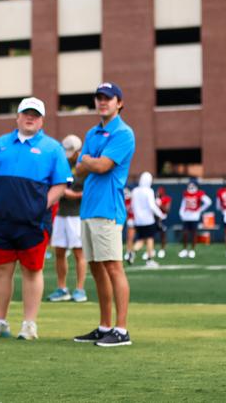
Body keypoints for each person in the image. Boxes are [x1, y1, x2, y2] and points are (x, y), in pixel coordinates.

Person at [0, 98, 69, 341]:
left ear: (42, 120)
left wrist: (38, 207)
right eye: (26, 113)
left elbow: (60, 185)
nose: (30, 118)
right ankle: (0, 321)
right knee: (1, 271)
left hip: (33, 223)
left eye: (35, 115)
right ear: (17, 116)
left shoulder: (52, 147)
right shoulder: (0, 144)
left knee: (32, 270)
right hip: (2, 221)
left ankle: (29, 324)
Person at [73, 82, 136, 348]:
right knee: (97, 268)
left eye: (108, 98)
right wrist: (87, 162)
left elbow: (100, 166)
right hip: (89, 207)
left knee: (113, 267)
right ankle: (105, 326)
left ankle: (121, 330)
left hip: (108, 208)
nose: (102, 102)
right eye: (99, 98)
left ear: (119, 103)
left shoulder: (123, 133)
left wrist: (87, 160)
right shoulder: (92, 132)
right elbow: (78, 171)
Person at [47, 134, 88, 303]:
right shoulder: (61, 165)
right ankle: (62, 288)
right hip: (62, 213)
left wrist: (74, 195)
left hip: (76, 215)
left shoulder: (85, 167)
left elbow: (90, 191)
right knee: (59, 252)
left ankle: (80, 289)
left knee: (79, 253)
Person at [129, 172, 165, 268]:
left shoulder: (135, 191)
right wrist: (160, 214)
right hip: (148, 220)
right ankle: (150, 260)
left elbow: (132, 206)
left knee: (141, 239)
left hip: (138, 220)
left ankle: (131, 252)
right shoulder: (149, 191)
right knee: (149, 239)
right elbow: (152, 206)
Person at [177, 178, 211, 259]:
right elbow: (183, 204)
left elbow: (208, 202)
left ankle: (192, 250)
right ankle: (185, 250)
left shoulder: (199, 193)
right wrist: (181, 213)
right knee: (185, 233)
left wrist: (200, 210)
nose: (190, 186)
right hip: (186, 216)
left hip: (194, 216)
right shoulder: (186, 193)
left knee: (193, 234)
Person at [155, 186, 172, 259]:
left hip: (163, 218)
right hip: (154, 219)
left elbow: (167, 210)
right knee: (151, 235)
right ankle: (151, 250)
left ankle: (162, 250)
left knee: (163, 235)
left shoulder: (167, 199)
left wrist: (160, 204)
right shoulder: (154, 199)